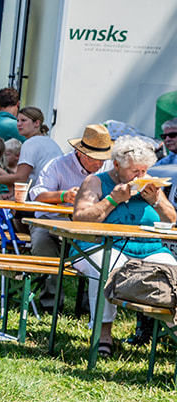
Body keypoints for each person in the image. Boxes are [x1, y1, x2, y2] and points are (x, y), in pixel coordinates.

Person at [69, 135, 177, 353]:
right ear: (117, 165)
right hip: (100, 245)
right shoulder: (96, 182)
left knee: (172, 272)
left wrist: (156, 200)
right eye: (134, 172)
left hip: (148, 247)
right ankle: (103, 334)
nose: (140, 176)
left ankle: (170, 329)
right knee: (105, 268)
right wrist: (111, 200)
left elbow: (171, 219)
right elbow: (80, 219)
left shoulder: (151, 183)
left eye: (143, 171)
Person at [27, 124, 111, 309]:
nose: (99, 164)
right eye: (94, 158)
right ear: (79, 152)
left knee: (104, 251)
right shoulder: (58, 164)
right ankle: (51, 302)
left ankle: (91, 305)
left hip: (90, 224)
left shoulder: (108, 169)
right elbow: (37, 195)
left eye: (102, 159)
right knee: (43, 241)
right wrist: (63, 196)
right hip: (53, 220)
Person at [0, 106, 61, 194]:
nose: (18, 124)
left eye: (23, 120)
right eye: (17, 121)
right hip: (55, 195)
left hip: (40, 198)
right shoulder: (50, 142)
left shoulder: (30, 143)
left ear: (37, 123)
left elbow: (20, 178)